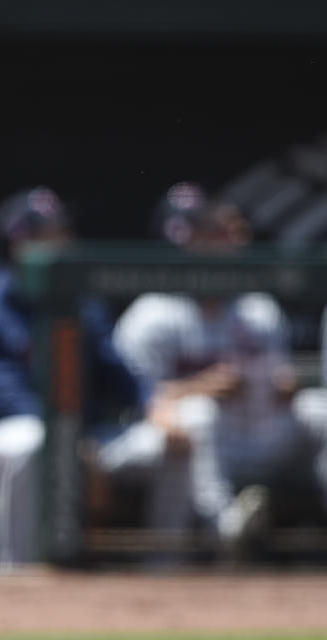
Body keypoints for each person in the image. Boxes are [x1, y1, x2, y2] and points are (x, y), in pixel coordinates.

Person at [101, 184, 327, 557]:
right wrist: (199, 387)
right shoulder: (151, 313)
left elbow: (284, 378)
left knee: (320, 409)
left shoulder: (258, 308)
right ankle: (225, 525)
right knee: (197, 416)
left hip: (262, 434)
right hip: (197, 442)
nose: (227, 242)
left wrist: (288, 386)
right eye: (208, 234)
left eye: (220, 233)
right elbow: (141, 399)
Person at [0, 186, 143, 566]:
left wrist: (155, 405)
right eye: (48, 235)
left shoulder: (83, 303)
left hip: (84, 437)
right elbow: (7, 399)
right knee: (34, 444)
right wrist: (70, 441)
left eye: (62, 232)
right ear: (19, 244)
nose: (63, 242)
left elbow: (120, 375)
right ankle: (17, 576)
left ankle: (175, 576)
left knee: (171, 439)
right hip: (2, 437)